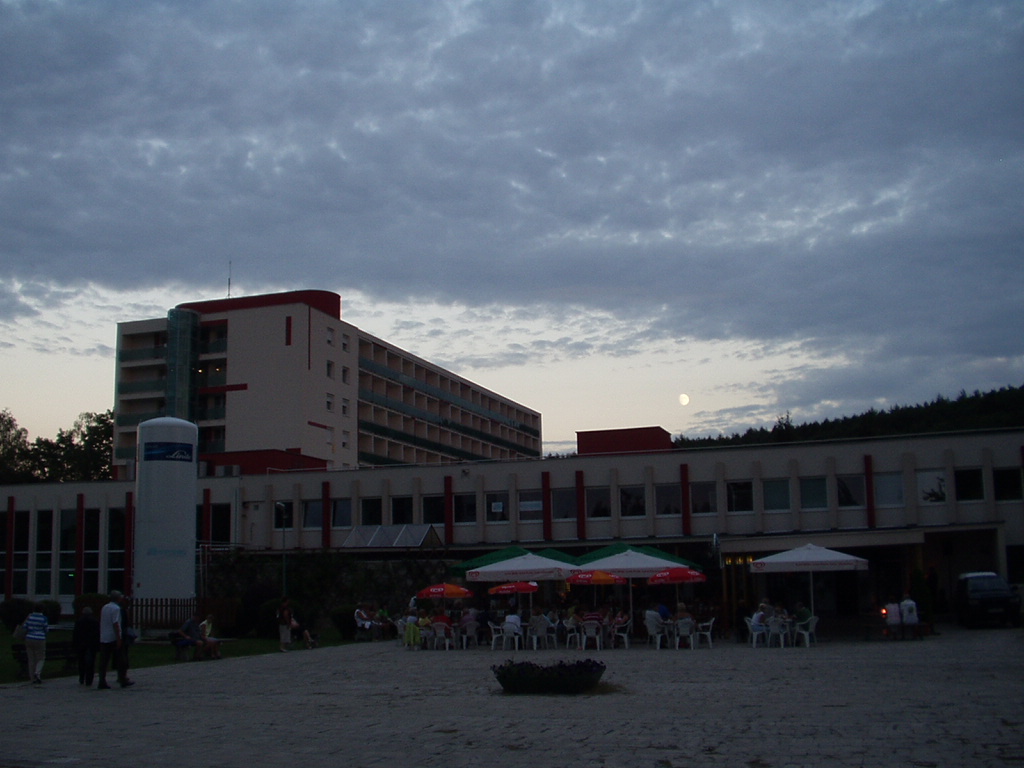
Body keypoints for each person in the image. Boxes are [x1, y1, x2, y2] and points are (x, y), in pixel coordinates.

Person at [97, 590, 132, 688]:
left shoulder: (105, 607)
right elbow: (116, 624)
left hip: (104, 636)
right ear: (118, 598)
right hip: (113, 637)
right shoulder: (116, 609)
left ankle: (102, 680)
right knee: (121, 659)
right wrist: (119, 638)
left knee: (104, 660)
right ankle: (122, 679)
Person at [73, 606, 100, 686]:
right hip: (91, 644)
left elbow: (75, 634)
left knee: (81, 662)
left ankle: (81, 677)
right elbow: (97, 634)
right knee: (91, 663)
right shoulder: (94, 621)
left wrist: (75, 644)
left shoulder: (79, 621)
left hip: (81, 644)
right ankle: (89, 679)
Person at [22, 603, 49, 684]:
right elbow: (46, 630)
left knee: (31, 659)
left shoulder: (29, 617)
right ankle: (37, 672)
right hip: (40, 639)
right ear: (42, 610)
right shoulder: (44, 618)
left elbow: (25, 627)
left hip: (29, 638)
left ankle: (32, 678)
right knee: (41, 658)